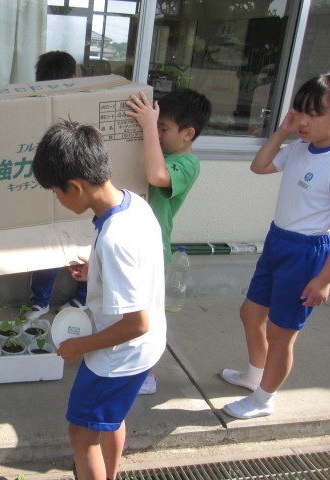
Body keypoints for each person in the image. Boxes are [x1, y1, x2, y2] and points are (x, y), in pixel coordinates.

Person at [32, 119, 166, 480]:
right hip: (143, 350)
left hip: (117, 357)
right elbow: (137, 267)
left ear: (76, 186)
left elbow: (136, 323)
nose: (57, 199)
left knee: (82, 434)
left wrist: (80, 346)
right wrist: (97, 272)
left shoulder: (114, 239)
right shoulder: (133, 204)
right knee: (109, 419)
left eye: (56, 192)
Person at [219, 74, 330, 419]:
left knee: (282, 333)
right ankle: (255, 376)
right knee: (251, 315)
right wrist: (283, 131)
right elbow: (260, 166)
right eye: (300, 111)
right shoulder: (298, 148)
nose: (304, 121)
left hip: (306, 253)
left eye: (315, 114)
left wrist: (324, 280)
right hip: (277, 242)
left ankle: (264, 399)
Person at [126, 88, 212, 395]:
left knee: (146, 315)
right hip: (128, 243)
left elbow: (157, 177)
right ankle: (127, 361)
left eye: (163, 128)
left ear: (188, 134)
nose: (157, 133)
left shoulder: (187, 164)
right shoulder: (154, 149)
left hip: (151, 250)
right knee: (125, 309)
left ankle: (146, 375)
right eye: (157, 126)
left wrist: (148, 127)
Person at [21, 50, 88, 321]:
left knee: (82, 243)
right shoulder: (32, 108)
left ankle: (70, 298)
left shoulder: (86, 104)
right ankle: (45, 301)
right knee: (49, 245)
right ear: (74, 76)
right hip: (54, 185)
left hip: (75, 183)